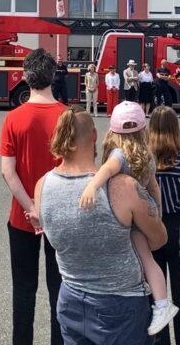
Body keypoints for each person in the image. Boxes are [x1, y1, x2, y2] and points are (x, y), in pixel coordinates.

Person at [33, 107, 165, 345]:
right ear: (94, 135)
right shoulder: (122, 186)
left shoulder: (42, 186)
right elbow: (159, 239)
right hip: (120, 305)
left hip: (70, 296)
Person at [77, 101, 178, 335]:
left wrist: (91, 188)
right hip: (145, 212)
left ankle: (161, 304)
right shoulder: (147, 155)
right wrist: (158, 213)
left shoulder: (118, 154)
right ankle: (161, 302)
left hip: (129, 217)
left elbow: (107, 170)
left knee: (141, 257)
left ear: (112, 131)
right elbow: (154, 187)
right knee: (146, 258)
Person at [0, 48, 65, 345]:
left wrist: (31, 206)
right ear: (53, 75)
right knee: (60, 289)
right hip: (60, 214)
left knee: (23, 290)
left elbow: (7, 172)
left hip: (22, 215)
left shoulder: (14, 118)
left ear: (26, 77)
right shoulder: (67, 117)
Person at [149, 106, 180, 345]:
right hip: (178, 226)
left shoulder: (144, 161)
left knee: (155, 294)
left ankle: (159, 340)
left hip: (151, 227)